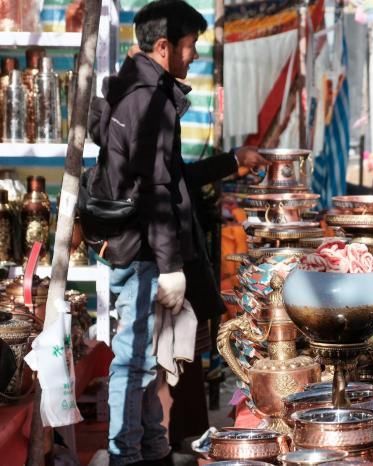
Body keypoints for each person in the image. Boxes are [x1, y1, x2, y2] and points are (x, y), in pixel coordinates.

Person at [86, 2, 268, 464]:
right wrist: (170, 267)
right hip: (145, 250)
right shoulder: (149, 100)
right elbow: (158, 192)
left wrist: (230, 161)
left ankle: (150, 447)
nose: (193, 57)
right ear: (164, 46)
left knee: (144, 360)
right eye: (190, 47)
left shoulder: (130, 87)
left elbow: (167, 174)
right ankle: (127, 454)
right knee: (134, 362)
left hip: (132, 246)